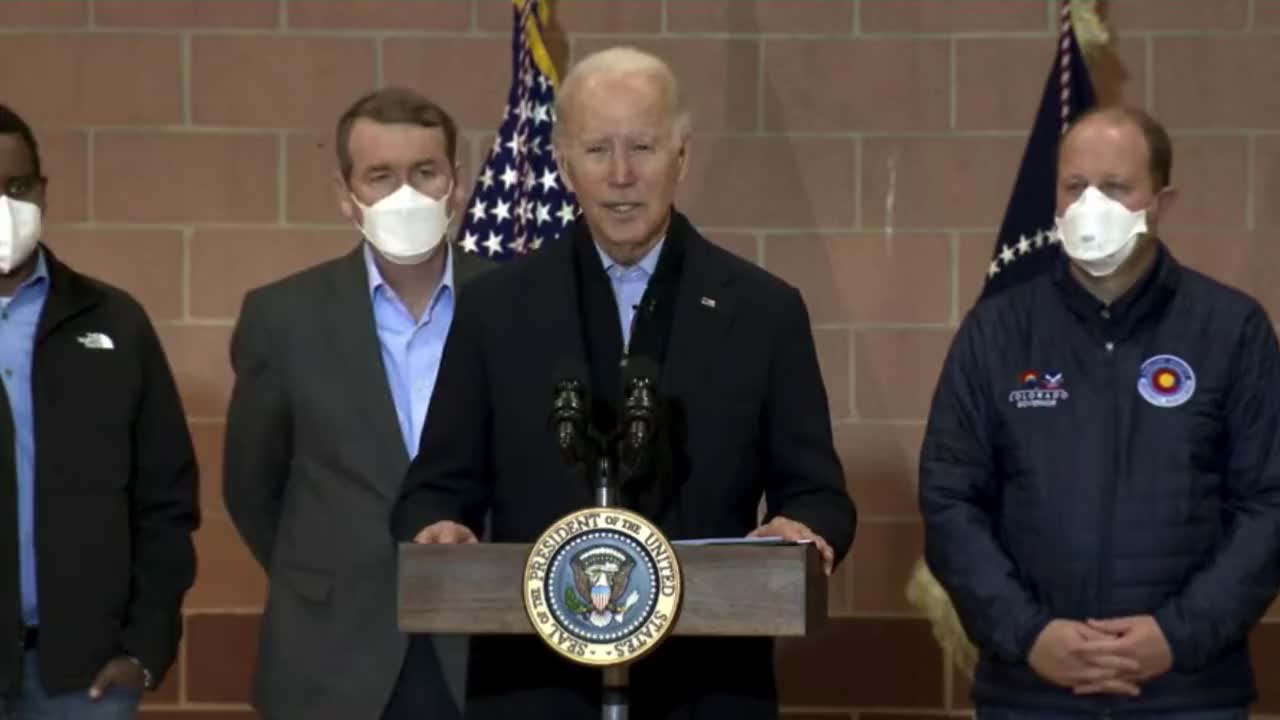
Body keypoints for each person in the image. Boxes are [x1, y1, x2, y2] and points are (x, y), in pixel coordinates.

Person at [391, 46, 857, 719]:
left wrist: (802, 528)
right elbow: (436, 485)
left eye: (642, 146)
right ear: (563, 164)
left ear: (681, 157)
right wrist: (439, 526)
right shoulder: (497, 309)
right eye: (597, 149)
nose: (620, 175)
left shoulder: (764, 311)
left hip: (707, 687)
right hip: (532, 688)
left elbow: (818, 494)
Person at [919, 105, 1280, 717]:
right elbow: (950, 500)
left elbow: (1269, 503)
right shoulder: (997, 332)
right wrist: (1029, 634)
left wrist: (1177, 635)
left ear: (1161, 200)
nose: (1092, 205)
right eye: (1074, 186)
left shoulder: (1231, 330)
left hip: (1187, 693)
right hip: (1030, 692)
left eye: (1115, 188)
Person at [223, 87, 494, 720]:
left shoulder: (517, 303)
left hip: (485, 649)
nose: (406, 195)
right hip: (332, 652)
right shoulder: (281, 318)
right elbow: (251, 488)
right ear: (347, 197)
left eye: (425, 173)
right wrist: (330, 568)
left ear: (455, 184)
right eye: (381, 176)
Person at [0, 103, 200, 718]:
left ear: (43, 190)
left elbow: (165, 500)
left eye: (17, 186)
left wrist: (144, 648)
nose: (6, 206)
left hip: (83, 679)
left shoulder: (113, 321)